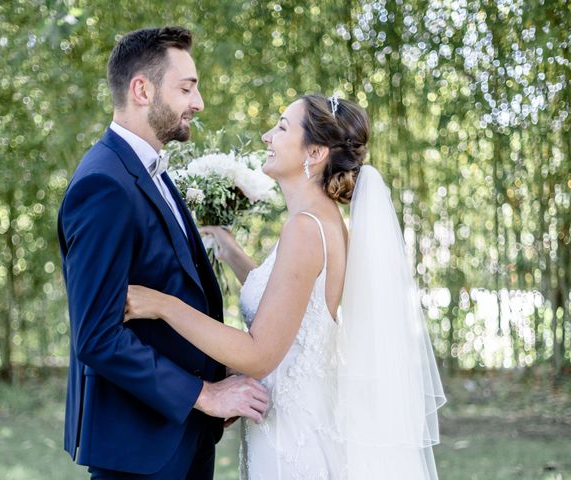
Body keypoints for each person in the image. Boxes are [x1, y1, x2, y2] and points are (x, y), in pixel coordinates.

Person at [125, 94, 446, 478]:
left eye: (280, 127)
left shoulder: (306, 229)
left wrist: (163, 305)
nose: (266, 137)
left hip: (294, 445)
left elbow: (259, 353)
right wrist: (229, 249)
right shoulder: (321, 222)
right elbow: (288, 301)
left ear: (314, 152)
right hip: (299, 425)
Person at [57, 26, 269, 480]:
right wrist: (204, 394)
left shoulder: (151, 170)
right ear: (141, 89)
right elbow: (97, 336)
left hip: (185, 436)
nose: (199, 102)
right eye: (187, 87)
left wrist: (216, 376)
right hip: (138, 448)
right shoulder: (104, 184)